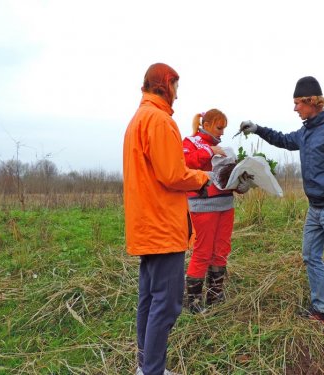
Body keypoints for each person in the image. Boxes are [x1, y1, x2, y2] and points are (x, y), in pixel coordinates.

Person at [239, 76, 324, 335]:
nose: (295, 109)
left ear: (312, 101)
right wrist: (258, 129)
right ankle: (323, 308)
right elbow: (284, 140)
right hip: (315, 208)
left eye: (298, 103)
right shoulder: (307, 131)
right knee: (310, 256)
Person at [123, 62, 211, 375]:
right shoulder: (159, 120)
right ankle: (153, 371)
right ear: (167, 84)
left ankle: (146, 366)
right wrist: (203, 177)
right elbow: (172, 174)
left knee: (149, 299)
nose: (177, 94)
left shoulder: (139, 118)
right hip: (162, 228)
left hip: (148, 226)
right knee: (168, 303)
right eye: (176, 86)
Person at [183, 109, 253, 314]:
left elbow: (225, 180)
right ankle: (194, 301)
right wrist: (211, 151)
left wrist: (242, 184)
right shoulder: (191, 142)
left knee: (221, 249)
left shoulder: (224, 149)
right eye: (219, 127)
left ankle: (215, 295)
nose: (222, 132)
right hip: (203, 206)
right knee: (203, 251)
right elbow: (185, 163)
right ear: (207, 125)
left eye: (224, 128)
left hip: (225, 205)